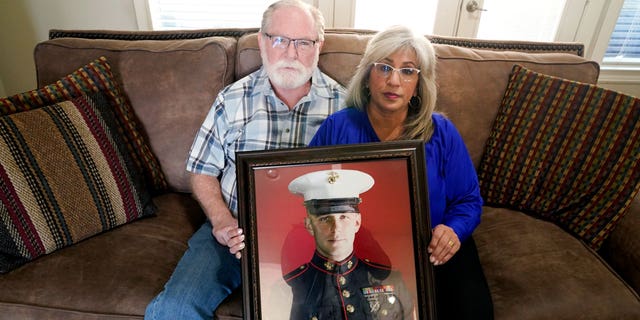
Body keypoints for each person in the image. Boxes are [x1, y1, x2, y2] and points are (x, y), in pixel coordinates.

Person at [144, 1, 346, 319]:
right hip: (233, 232)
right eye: (280, 39)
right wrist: (222, 222)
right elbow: (201, 170)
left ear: (318, 46)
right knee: (173, 310)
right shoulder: (232, 99)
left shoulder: (344, 107)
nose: (291, 53)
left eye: (303, 42)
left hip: (310, 241)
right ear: (262, 41)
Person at [308, 25, 494, 319]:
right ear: (368, 76)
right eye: (384, 68)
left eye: (408, 71)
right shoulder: (338, 128)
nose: (394, 81)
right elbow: (313, 193)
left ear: (419, 84)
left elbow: (468, 200)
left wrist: (453, 230)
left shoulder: (441, 132)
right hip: (359, 253)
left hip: (432, 247)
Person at [285, 169, 414, 320]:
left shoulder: (390, 280)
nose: (336, 228)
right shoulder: (290, 288)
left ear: (357, 222)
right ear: (309, 226)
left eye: (344, 217)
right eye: (325, 219)